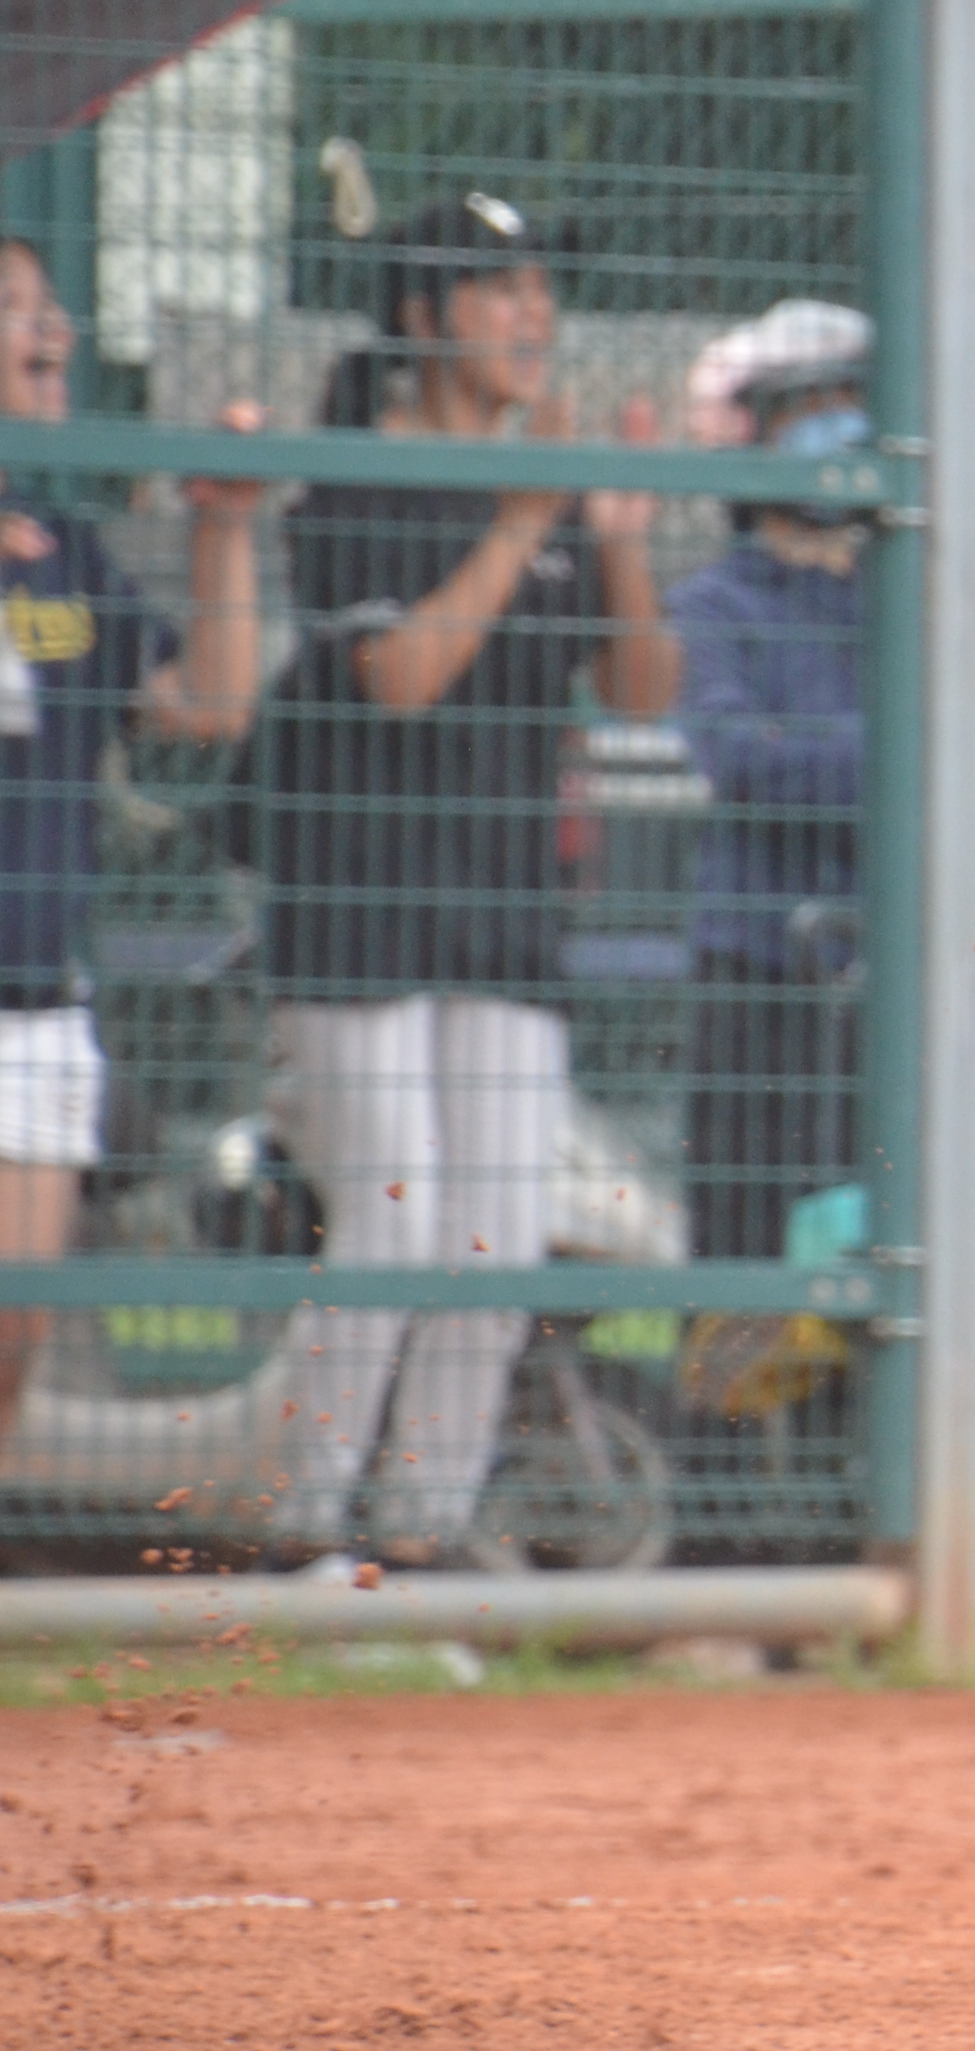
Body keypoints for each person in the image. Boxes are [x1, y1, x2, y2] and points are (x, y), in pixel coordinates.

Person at [255, 190, 677, 1563]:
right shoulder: (356, 478)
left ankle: (419, 1547)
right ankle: (304, 1536)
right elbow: (398, 678)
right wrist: (514, 525)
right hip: (360, 907)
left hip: (501, 915)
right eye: (501, 292)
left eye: (541, 290)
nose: (534, 317)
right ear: (426, 319)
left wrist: (611, 532)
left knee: (496, 1237)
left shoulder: (542, 491)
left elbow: (640, 690)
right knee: (391, 1214)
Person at [0, 234, 262, 1440]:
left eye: (51, 308)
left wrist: (222, 530)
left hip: (38, 996)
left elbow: (204, 705)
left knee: (17, 1328)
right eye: (13, 308)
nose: (49, 333)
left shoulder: (68, 551)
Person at [670, 300, 873, 1264]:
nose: (841, 425)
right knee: (744, 1249)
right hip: (757, 965)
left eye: (853, 402)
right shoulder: (716, 601)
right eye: (812, 406)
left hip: (894, 970)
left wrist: (826, 753)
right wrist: (889, 760)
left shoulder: (905, 588)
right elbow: (741, 759)